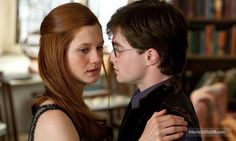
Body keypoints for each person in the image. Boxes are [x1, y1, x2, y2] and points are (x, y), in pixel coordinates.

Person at [27, 2, 188, 141]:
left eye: (99, 47)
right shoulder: (53, 119)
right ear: (56, 55)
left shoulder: (74, 106)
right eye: (84, 50)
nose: (97, 58)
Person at [107, 0, 202, 141]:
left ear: (150, 56)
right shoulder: (143, 96)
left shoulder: (171, 121)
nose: (111, 58)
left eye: (118, 49)